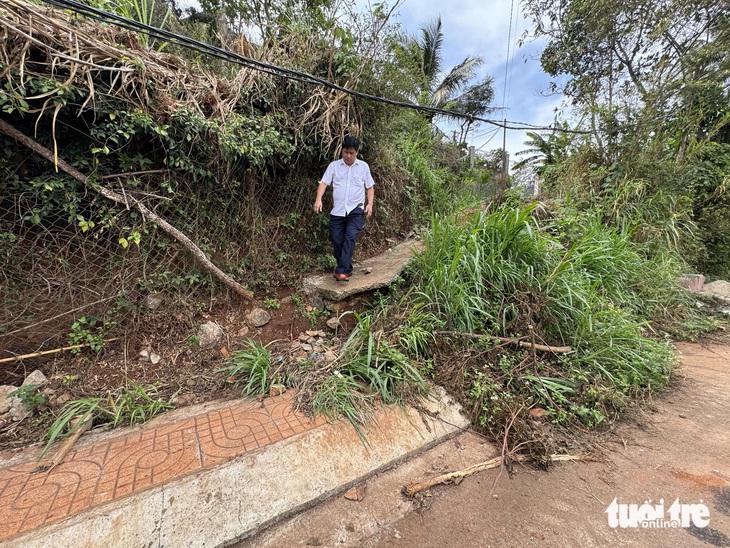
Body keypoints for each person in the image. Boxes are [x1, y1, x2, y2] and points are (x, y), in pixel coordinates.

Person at [313, 136, 375, 282]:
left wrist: (370, 204)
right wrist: (318, 199)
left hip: (356, 209)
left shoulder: (364, 167)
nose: (348, 156)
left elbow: (370, 187)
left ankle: (340, 271)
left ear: (357, 153)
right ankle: (347, 268)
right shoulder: (334, 166)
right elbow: (323, 183)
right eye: (346, 152)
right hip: (338, 211)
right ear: (342, 151)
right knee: (336, 239)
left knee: (350, 237)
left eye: (351, 153)